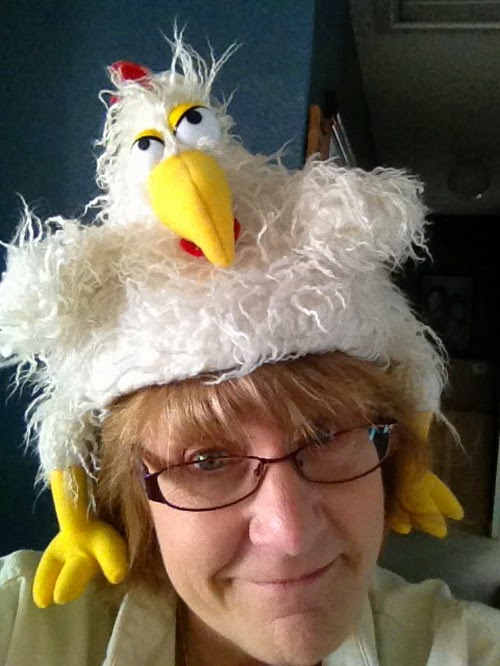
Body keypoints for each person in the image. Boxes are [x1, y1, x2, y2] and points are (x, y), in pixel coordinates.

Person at [1, 34, 499, 665]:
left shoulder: (462, 647)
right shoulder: (20, 630)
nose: (289, 533)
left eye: (326, 435)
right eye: (207, 461)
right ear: (133, 502)